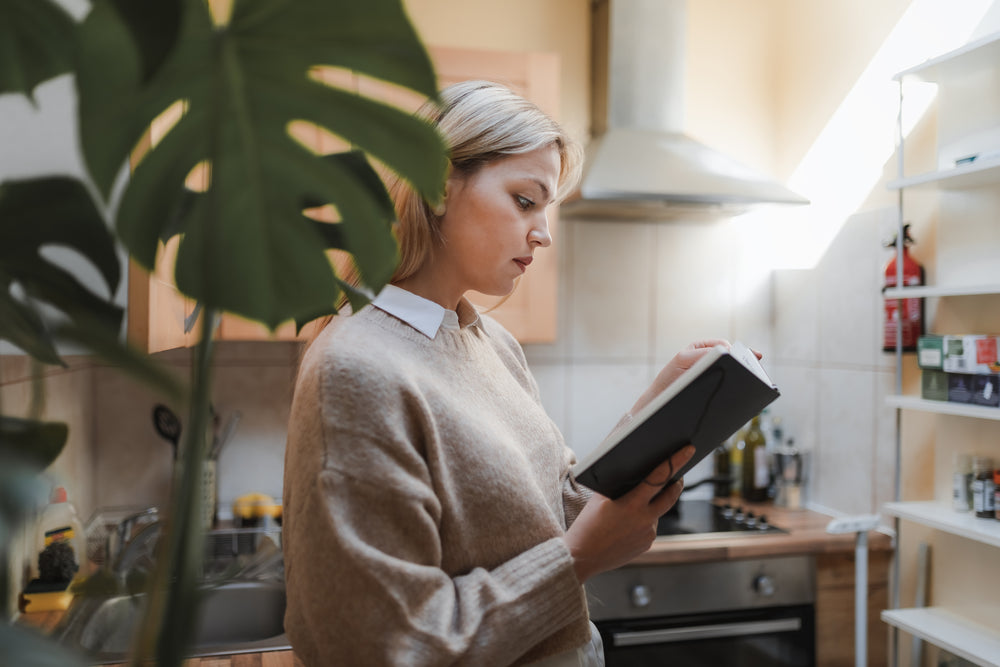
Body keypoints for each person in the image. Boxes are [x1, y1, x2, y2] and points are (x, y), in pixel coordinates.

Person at [282, 79, 729, 667]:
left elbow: (545, 512)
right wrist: (579, 560)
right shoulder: (357, 368)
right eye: (526, 200)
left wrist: (651, 414)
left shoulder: (489, 342)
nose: (543, 233)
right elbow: (391, 646)